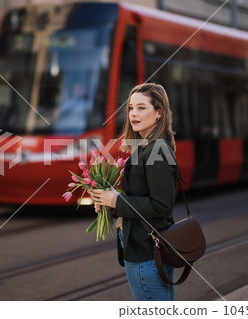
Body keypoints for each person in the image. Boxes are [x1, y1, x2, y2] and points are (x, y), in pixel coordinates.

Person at [88, 83, 178, 301]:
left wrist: (117, 201)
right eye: (130, 108)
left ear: (159, 113)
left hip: (147, 253)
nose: (133, 114)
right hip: (143, 249)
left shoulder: (157, 149)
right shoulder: (145, 148)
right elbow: (140, 197)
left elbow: (162, 205)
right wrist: (108, 203)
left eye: (141, 108)